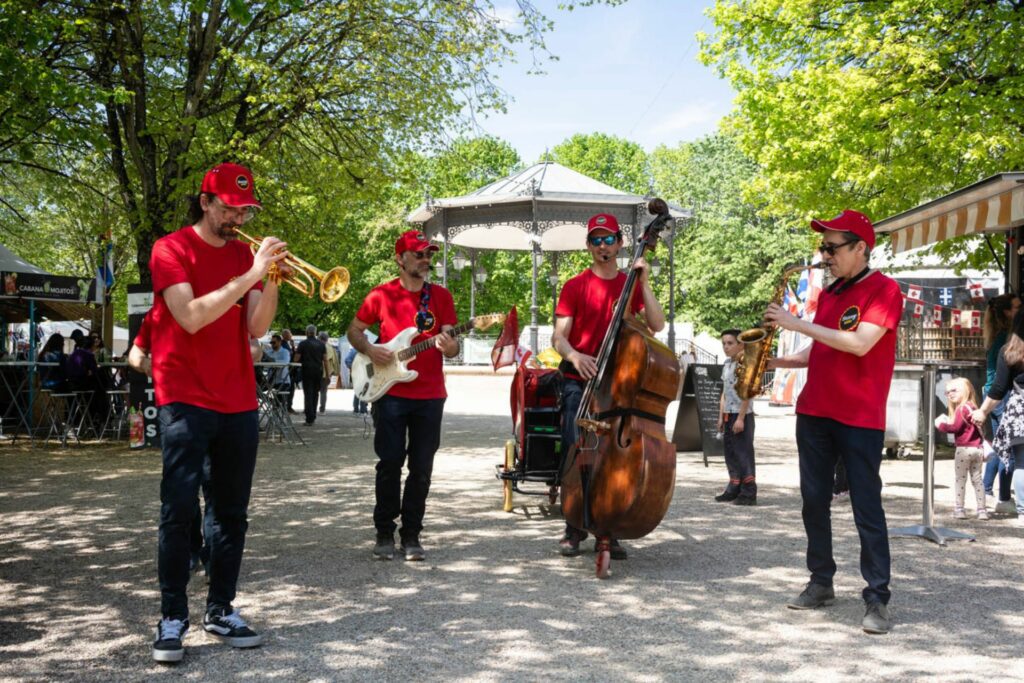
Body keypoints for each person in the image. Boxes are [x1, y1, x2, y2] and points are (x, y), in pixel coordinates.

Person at [147, 162, 288, 663]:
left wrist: (271, 280)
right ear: (205, 202)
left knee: (231, 512)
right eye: (229, 207)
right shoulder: (170, 248)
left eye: (245, 210)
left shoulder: (245, 255)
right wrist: (251, 272)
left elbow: (256, 328)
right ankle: (171, 616)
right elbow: (189, 316)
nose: (237, 218)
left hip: (237, 397)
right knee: (178, 508)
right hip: (184, 394)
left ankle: (221, 608)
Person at [765, 209, 903, 635]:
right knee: (813, 501)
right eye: (823, 247)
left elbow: (860, 344)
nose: (824, 255)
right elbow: (819, 351)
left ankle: (877, 597)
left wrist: (795, 322)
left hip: (858, 415)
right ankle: (821, 581)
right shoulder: (828, 294)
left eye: (832, 247)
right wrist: (769, 360)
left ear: (861, 247)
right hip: (814, 412)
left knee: (866, 507)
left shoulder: (885, 290)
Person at [551, 213, 666, 559]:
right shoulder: (575, 286)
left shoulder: (629, 285)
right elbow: (559, 337)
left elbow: (657, 325)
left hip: (621, 385)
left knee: (617, 458)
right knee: (578, 450)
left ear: (619, 243)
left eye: (608, 239)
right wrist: (575, 356)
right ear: (588, 246)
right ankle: (574, 524)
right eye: (596, 240)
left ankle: (607, 525)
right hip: (581, 380)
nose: (603, 246)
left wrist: (643, 282)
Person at [347, 229, 459, 562]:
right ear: (400, 258)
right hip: (390, 391)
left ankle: (412, 534)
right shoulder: (380, 295)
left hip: (430, 394)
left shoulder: (441, 296)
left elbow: (451, 345)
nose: (426, 260)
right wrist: (370, 348)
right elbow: (354, 330)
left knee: (422, 467)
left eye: (429, 255)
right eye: (419, 254)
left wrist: (449, 344)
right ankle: (384, 532)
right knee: (390, 463)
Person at [971, 309, 1024, 526]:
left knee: (1022, 462)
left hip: (1019, 411)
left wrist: (982, 411)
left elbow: (998, 388)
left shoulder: (1009, 352)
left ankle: (1023, 512)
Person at [981, 293, 1019, 514]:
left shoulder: (997, 335)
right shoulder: (1006, 337)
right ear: (1007, 312)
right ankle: (1003, 497)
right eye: (1017, 307)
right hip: (1000, 395)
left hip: (995, 393)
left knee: (1000, 445)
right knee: (1009, 448)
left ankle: (987, 490)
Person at [935, 377, 987, 520]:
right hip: (977, 448)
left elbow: (955, 428)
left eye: (954, 390)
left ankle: (959, 509)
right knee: (977, 480)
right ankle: (982, 510)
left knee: (960, 480)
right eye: (947, 392)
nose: (950, 394)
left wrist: (940, 425)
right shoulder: (973, 407)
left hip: (963, 449)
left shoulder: (961, 409)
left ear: (966, 390)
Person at [715, 328, 756, 504]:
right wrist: (720, 416)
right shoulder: (727, 364)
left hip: (742, 414)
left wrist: (740, 418)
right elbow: (724, 393)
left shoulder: (747, 363)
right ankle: (734, 487)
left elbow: (748, 392)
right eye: (724, 343)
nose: (726, 346)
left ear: (741, 344)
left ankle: (749, 493)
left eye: (730, 343)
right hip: (728, 414)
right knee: (730, 452)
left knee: (743, 453)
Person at [294, 324, 327, 426]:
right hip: (318, 371)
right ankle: (313, 415)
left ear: (306, 332)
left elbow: (296, 359)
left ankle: (309, 418)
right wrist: (328, 374)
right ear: (315, 332)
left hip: (307, 370)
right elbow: (325, 360)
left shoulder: (303, 344)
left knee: (308, 394)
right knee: (315, 393)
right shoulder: (321, 344)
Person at [319, 330, 338, 414]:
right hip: (326, 372)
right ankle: (322, 409)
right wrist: (335, 372)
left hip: (315, 371)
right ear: (327, 339)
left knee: (312, 391)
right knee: (323, 391)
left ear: (319, 338)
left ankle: (310, 409)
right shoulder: (331, 348)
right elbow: (334, 361)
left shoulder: (316, 346)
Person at [281, 328, 297, 413]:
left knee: (291, 388)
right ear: (285, 335)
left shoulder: (288, 344)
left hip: (290, 370)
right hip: (287, 370)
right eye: (289, 333)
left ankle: (288, 406)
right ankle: (287, 406)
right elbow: (290, 356)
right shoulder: (283, 344)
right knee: (289, 388)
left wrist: (293, 347)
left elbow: (293, 354)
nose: (291, 335)